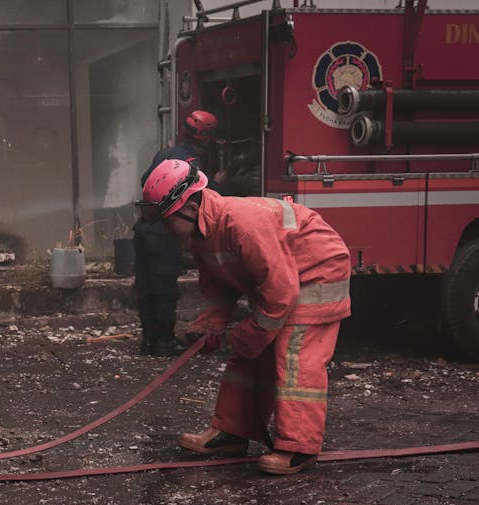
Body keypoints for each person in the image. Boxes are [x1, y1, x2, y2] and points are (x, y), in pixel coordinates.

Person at [137, 159, 351, 474]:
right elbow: (219, 283)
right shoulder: (201, 234)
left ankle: (299, 448)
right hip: (287, 279)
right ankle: (231, 433)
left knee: (294, 358)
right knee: (249, 353)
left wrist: (248, 334)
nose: (164, 229)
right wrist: (212, 321)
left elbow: (281, 294)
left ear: (191, 206)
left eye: (166, 219)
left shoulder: (242, 223)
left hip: (317, 271)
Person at [134, 110, 226, 357]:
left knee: (146, 287)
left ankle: (149, 340)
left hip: (144, 226)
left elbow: (146, 181)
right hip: (163, 231)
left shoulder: (166, 154)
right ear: (207, 136)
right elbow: (200, 192)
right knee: (164, 288)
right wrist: (220, 182)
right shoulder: (191, 162)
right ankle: (164, 342)